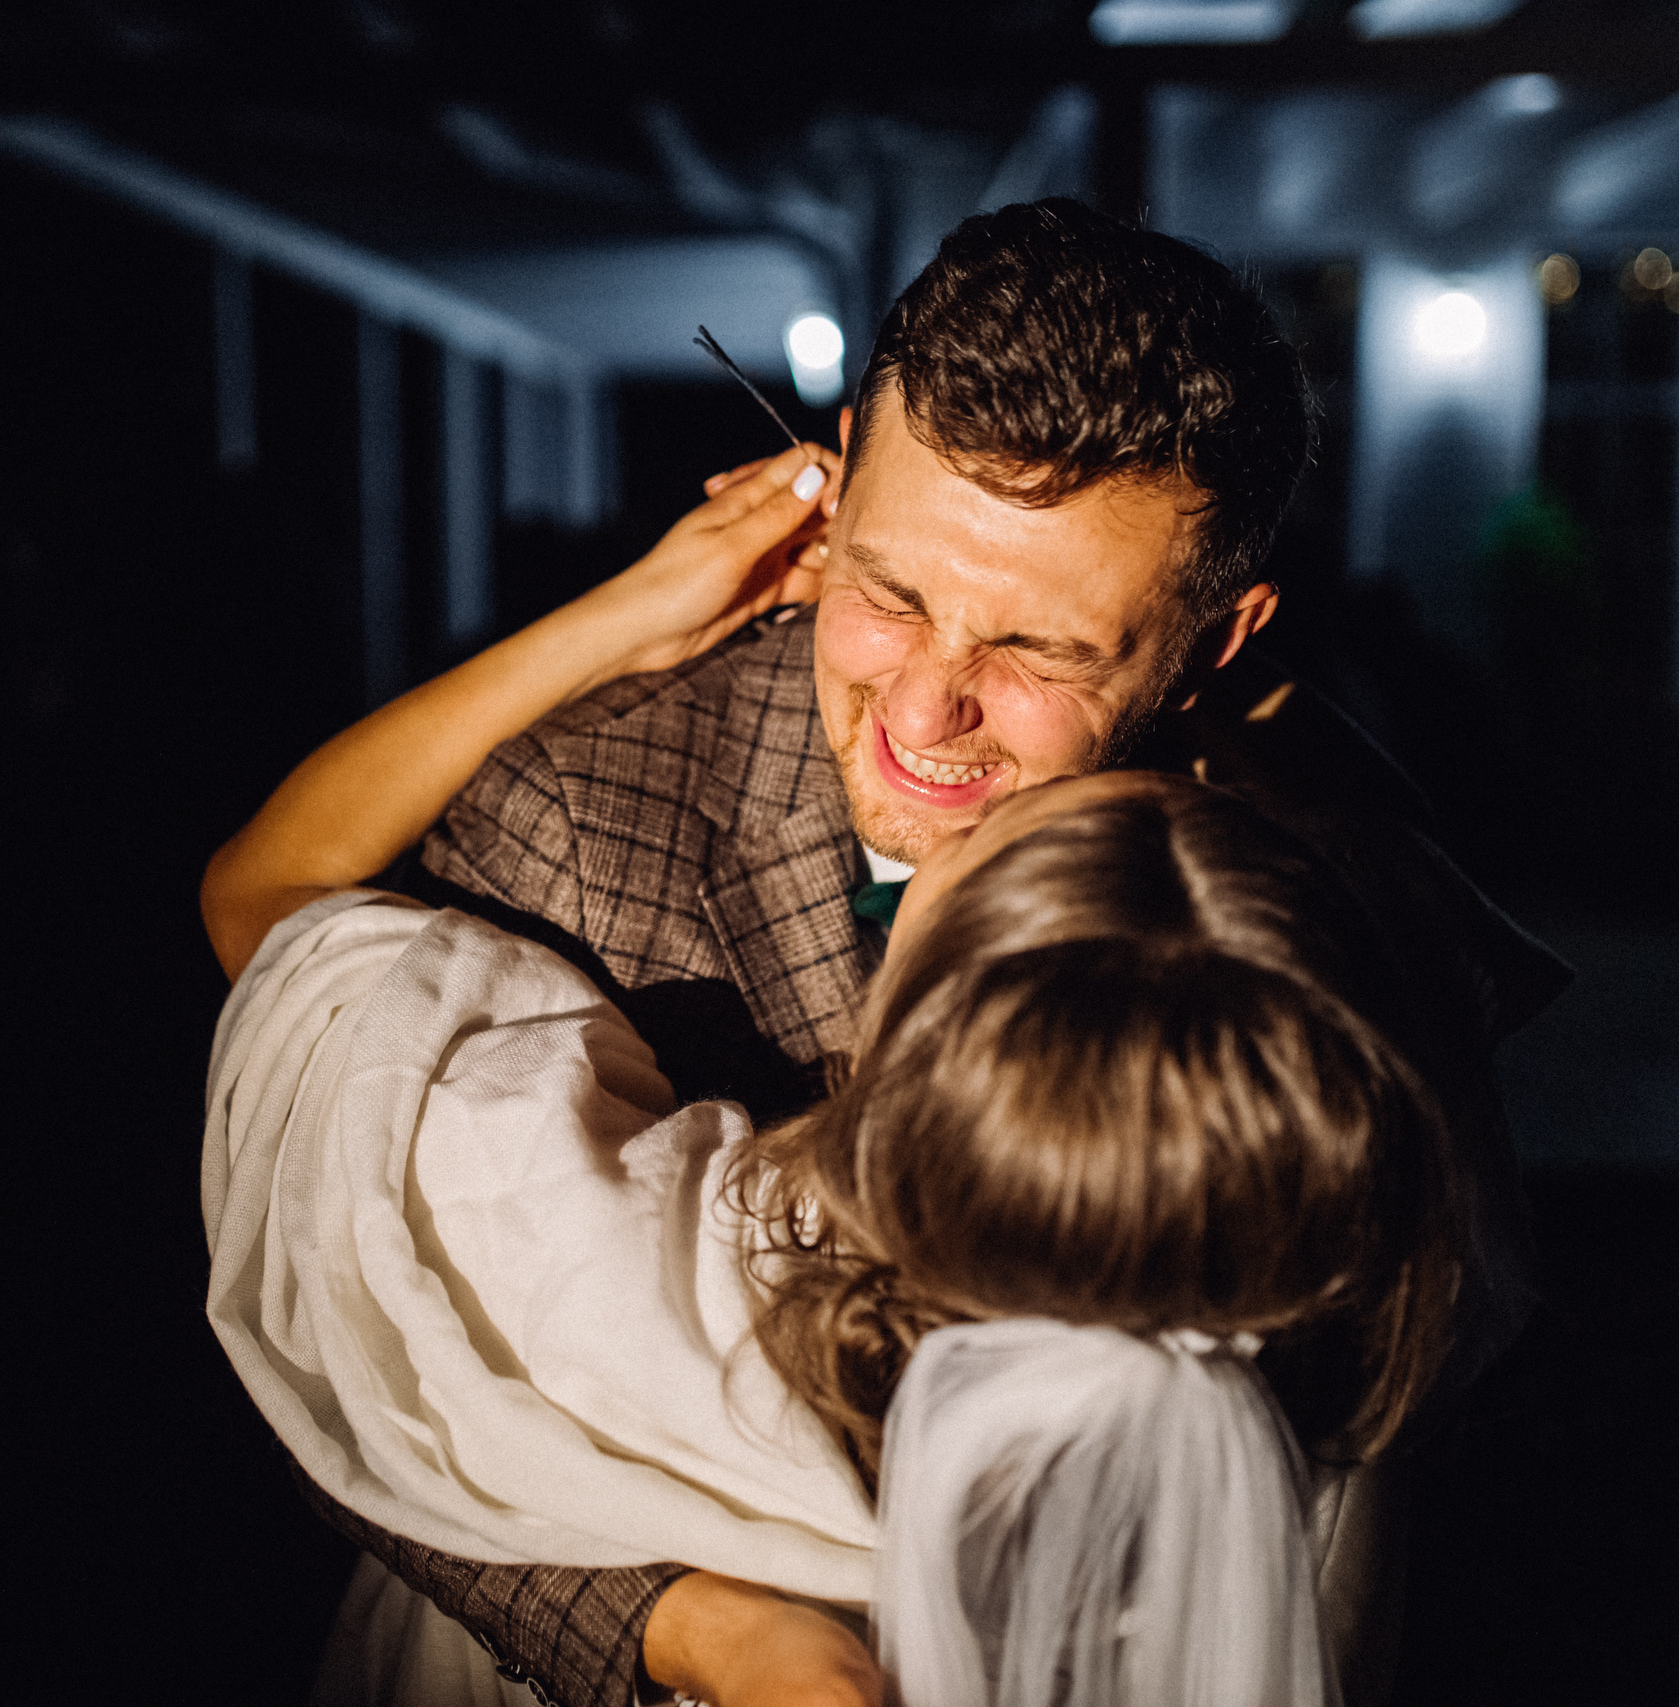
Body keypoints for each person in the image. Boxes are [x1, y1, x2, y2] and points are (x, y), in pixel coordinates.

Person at [274, 199, 1564, 1707]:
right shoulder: (575, 808)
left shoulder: (1322, 883)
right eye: (889, 593)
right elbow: (357, 1327)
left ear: (1218, 643)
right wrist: (670, 1625)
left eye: (1038, 652)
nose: (927, 709)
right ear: (838, 484)